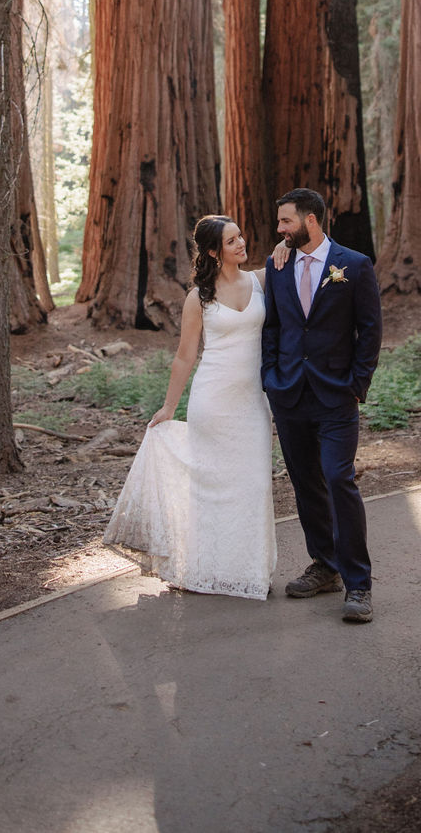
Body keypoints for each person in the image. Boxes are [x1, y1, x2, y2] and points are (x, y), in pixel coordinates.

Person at [104, 215, 277, 600]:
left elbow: (290, 258)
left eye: (240, 237)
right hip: (212, 402)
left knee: (253, 485)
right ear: (214, 252)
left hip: (252, 403)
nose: (241, 244)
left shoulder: (260, 281)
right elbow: (184, 357)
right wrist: (169, 407)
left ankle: (248, 572)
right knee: (209, 488)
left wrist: (286, 244)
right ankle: (205, 570)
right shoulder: (198, 298)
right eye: (231, 241)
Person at [262, 188, 383, 624]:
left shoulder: (354, 265)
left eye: (285, 222)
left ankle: (359, 584)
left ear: (310, 221)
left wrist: (357, 384)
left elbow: (369, 331)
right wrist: (271, 377)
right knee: (305, 483)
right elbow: (273, 326)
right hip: (290, 392)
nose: (279, 230)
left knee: (338, 478)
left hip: (336, 395)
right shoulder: (278, 266)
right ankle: (325, 565)